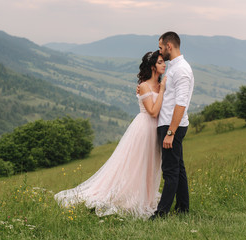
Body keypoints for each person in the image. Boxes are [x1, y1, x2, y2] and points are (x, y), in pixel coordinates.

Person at [54, 50, 166, 218]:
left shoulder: (161, 83)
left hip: (156, 130)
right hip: (144, 128)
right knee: (138, 164)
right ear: (152, 67)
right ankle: (132, 197)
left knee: (152, 164)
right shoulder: (144, 86)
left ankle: (148, 196)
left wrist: (163, 88)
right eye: (160, 62)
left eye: (164, 62)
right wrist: (163, 91)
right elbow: (152, 112)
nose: (164, 64)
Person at [150, 31, 194, 219]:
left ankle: (161, 213)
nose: (160, 51)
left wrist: (170, 132)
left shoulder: (181, 69)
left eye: (161, 47)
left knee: (170, 171)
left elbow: (181, 104)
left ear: (169, 46)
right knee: (178, 167)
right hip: (169, 123)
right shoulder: (174, 67)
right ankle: (183, 208)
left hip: (172, 125)